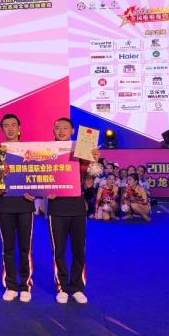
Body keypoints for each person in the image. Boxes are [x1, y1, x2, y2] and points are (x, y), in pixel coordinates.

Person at [45, 117, 99, 305]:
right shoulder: (46, 152)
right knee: (58, 251)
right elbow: (40, 177)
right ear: (53, 130)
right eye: (57, 128)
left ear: (73, 131)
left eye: (65, 128)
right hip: (56, 208)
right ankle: (61, 287)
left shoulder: (82, 150)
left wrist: (94, 161)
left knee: (78, 250)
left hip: (77, 207)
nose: (61, 131)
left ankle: (77, 287)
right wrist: (45, 191)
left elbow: (89, 182)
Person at [0, 113, 34, 303]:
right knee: (7, 247)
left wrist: (35, 192)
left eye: (13, 125)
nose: (10, 128)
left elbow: (35, 174)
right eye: (6, 125)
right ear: (2, 129)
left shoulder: (28, 150)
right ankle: (11, 285)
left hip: (25, 203)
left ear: (19, 128)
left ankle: (25, 285)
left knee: (25, 247)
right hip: (5, 203)